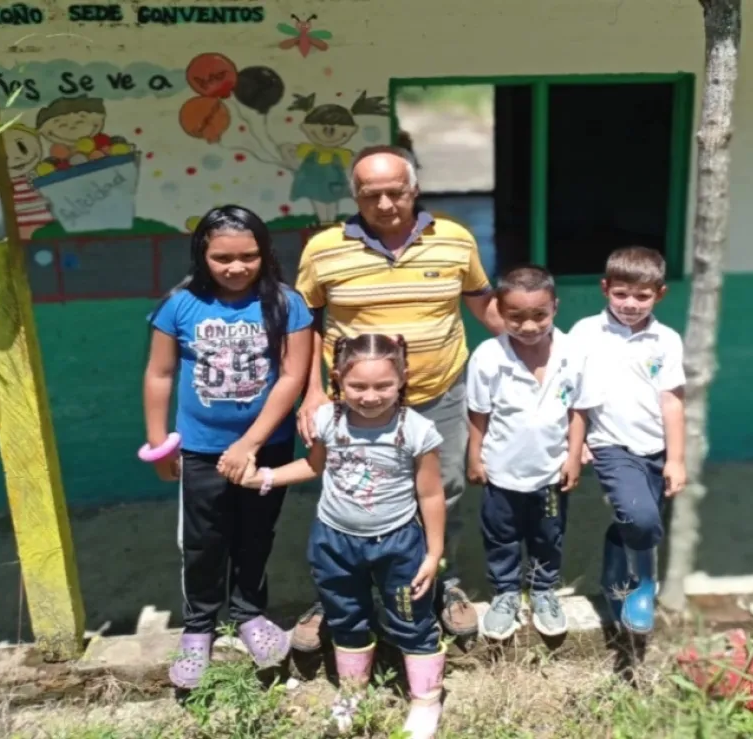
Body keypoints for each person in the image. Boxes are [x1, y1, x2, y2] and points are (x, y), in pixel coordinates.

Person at [292, 145, 502, 649]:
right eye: (371, 195)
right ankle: (343, 592)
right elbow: (304, 322)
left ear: (414, 189)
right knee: (351, 492)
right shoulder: (323, 249)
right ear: (355, 195)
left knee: (443, 491)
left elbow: (481, 303)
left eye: (395, 192)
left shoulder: (454, 239)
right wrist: (312, 392)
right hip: (354, 404)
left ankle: (439, 581)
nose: (385, 204)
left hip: (440, 393)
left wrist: (541, 350)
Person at [236, 333, 447, 739]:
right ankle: (353, 693)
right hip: (334, 543)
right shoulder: (326, 420)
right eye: (358, 386)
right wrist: (265, 477)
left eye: (383, 385)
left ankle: (425, 700)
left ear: (402, 378)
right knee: (346, 617)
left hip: (399, 545)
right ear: (337, 379)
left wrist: (432, 553)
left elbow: (431, 493)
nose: (370, 396)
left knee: (412, 619)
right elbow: (313, 466)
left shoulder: (417, 430)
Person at [142, 205, 312, 689]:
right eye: (222, 258)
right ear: (202, 254)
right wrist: (159, 444)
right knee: (203, 541)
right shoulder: (180, 304)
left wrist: (250, 444)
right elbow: (159, 373)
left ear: (265, 253)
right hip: (199, 450)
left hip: (267, 449)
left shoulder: (286, 303)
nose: (236, 267)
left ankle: (249, 615)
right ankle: (198, 629)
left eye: (248, 256)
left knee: (256, 534)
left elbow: (293, 377)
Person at [466, 265, 599, 640]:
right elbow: (479, 412)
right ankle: (506, 593)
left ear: (555, 307)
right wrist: (474, 456)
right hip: (502, 471)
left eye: (539, 315)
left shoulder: (573, 352)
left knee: (548, 534)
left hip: (550, 473)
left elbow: (578, 410)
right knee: (501, 535)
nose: (528, 326)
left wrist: (573, 456)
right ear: (500, 312)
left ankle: (543, 591)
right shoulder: (489, 356)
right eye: (516, 317)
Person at [569, 246, 687, 634]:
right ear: (605, 289)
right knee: (641, 517)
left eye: (642, 296)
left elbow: (672, 401)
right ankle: (644, 584)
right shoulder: (586, 332)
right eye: (621, 294)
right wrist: (575, 440)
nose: (631, 304)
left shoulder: (666, 340)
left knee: (639, 522)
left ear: (660, 294)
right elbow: (567, 390)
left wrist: (676, 459)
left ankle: (616, 581)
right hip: (610, 444)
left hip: (656, 447)